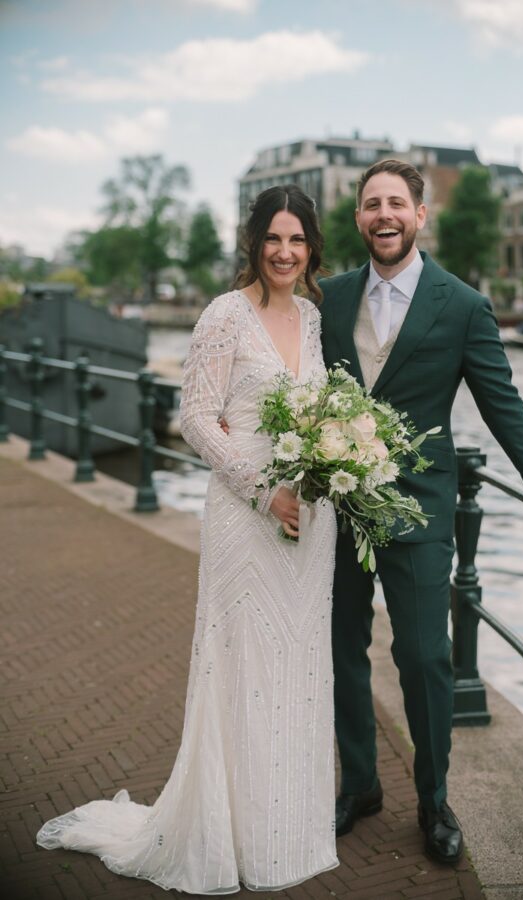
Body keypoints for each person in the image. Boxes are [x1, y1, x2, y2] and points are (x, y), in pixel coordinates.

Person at [36, 185, 339, 894]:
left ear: (311, 247)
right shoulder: (224, 315)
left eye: (297, 240)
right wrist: (265, 491)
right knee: (240, 667)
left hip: (310, 523)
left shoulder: (311, 316)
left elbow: (321, 408)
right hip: (247, 514)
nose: (285, 252)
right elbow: (198, 418)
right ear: (253, 243)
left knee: (294, 671)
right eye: (274, 239)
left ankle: (282, 832)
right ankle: (223, 834)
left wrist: (331, 468)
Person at [318, 159, 523, 865]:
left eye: (396, 204)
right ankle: (359, 785)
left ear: (419, 214)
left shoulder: (462, 304)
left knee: (424, 656)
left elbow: (503, 405)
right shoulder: (329, 297)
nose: (384, 215)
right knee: (341, 648)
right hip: (335, 506)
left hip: (418, 508)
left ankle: (433, 799)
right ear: (358, 217)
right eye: (371, 204)